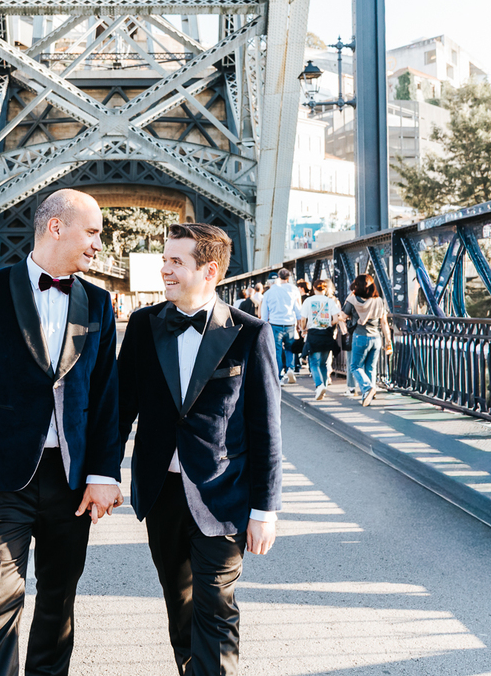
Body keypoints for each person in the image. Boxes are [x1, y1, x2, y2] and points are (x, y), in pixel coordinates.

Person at [0, 188, 123, 676]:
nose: (99, 244)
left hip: (71, 481)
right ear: (57, 227)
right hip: (0, 476)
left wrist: (104, 472)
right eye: (93, 232)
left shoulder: (98, 304)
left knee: (58, 603)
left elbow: (105, 399)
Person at [118, 223, 282, 676]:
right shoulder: (143, 325)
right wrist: (103, 474)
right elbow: (120, 409)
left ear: (208, 270)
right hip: (162, 494)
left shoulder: (251, 333)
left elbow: (266, 428)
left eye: (176, 261)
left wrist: (266, 510)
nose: (164, 269)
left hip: (224, 495)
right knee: (181, 608)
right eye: (164, 259)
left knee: (217, 608)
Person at [343, 273, 393, 407]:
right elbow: (384, 323)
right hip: (376, 338)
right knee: (371, 367)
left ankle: (367, 388)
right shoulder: (379, 301)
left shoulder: (353, 300)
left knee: (355, 366)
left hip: (360, 336)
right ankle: (371, 393)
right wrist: (388, 341)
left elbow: (342, 316)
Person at [299, 279, 340, 401]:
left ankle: (319, 385)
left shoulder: (308, 301)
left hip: (313, 335)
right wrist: (327, 325)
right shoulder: (330, 301)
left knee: (313, 363)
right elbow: (336, 319)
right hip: (327, 335)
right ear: (325, 289)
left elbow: (303, 319)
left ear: (314, 288)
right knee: (323, 363)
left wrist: (304, 328)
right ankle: (324, 386)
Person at [260, 268, 302, 384]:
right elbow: (297, 309)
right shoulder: (291, 291)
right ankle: (290, 368)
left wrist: (264, 325)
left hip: (275, 324)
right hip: (290, 324)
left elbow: (264, 313)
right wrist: (299, 324)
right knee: (290, 348)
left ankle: (278, 375)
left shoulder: (268, 293)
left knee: (277, 350)